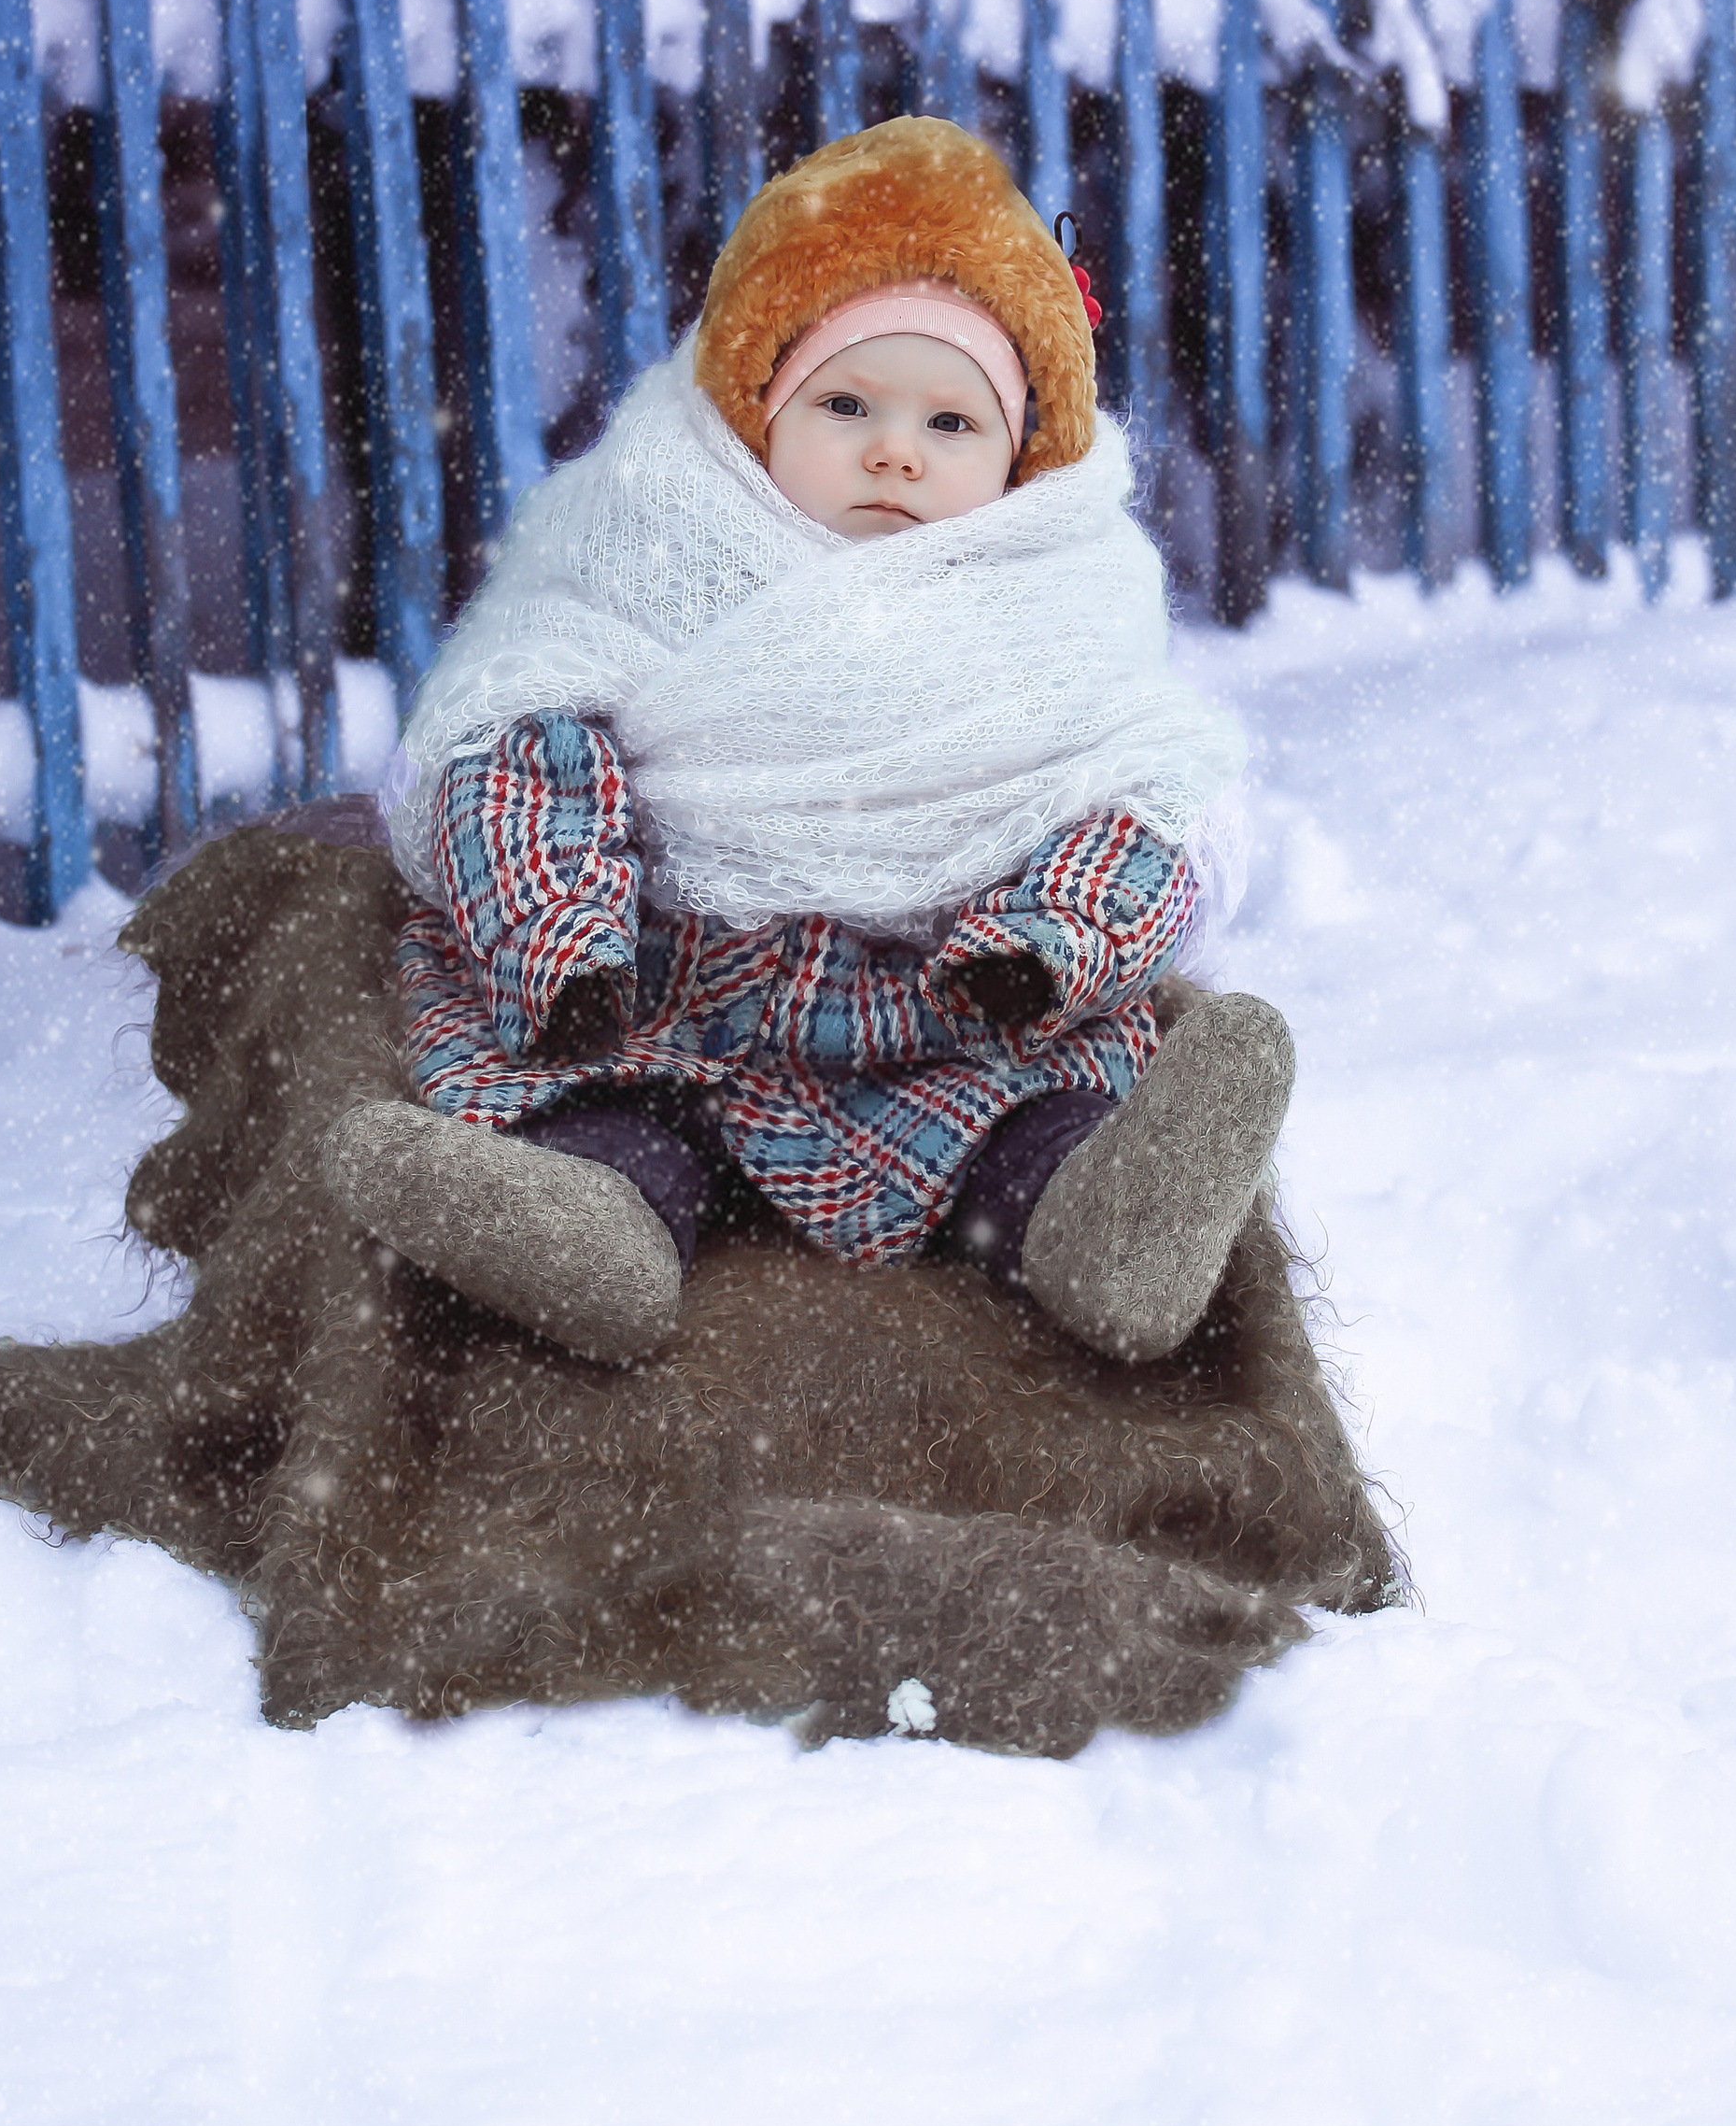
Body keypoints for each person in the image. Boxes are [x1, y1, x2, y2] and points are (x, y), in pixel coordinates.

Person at [320, 115, 1293, 1366]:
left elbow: (1154, 800)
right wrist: (561, 946)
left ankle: (1090, 1225)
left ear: (1018, 460)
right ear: (757, 411)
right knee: (592, 1067)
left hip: (937, 1016)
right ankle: (589, 1233)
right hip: (654, 997)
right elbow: (500, 741)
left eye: (953, 425)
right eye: (846, 403)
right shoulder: (652, 541)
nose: (895, 447)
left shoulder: (1054, 602)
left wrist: (1046, 951)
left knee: (1026, 1118)